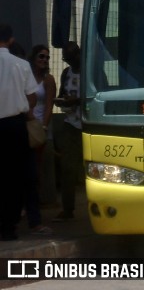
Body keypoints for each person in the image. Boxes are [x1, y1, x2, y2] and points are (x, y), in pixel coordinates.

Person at [0, 24, 38, 240]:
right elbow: (32, 98)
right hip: (15, 126)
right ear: (11, 40)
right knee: (15, 176)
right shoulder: (21, 65)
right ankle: (9, 226)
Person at [27, 45, 58, 232]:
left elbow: (49, 105)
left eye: (47, 57)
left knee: (38, 168)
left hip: (40, 127)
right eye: (41, 56)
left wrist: (44, 127)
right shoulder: (27, 77)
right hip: (26, 125)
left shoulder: (49, 80)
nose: (44, 60)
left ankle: (36, 206)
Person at [53, 41, 83, 222]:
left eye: (71, 57)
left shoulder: (90, 71)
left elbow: (97, 94)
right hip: (70, 124)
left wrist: (77, 100)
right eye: (66, 59)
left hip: (88, 124)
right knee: (67, 168)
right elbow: (62, 93)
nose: (69, 62)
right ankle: (68, 209)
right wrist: (62, 101)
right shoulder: (66, 73)